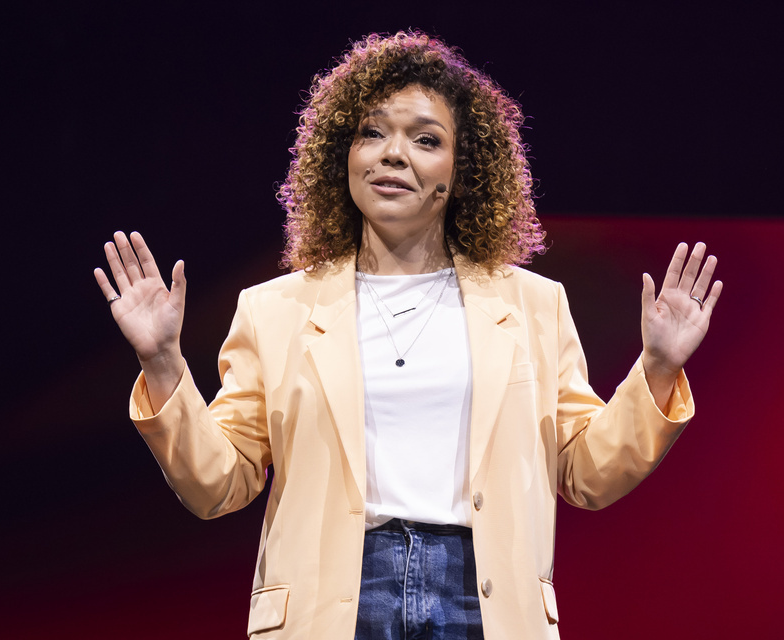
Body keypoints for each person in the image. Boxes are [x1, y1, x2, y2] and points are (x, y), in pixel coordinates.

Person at [94, 31, 722, 640]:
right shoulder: (274, 310)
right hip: (330, 606)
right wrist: (163, 365)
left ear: (462, 171)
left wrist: (659, 369)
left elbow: (586, 470)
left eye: (425, 139)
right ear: (344, 154)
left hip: (481, 600)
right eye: (373, 133)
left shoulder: (533, 304)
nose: (393, 154)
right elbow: (218, 485)